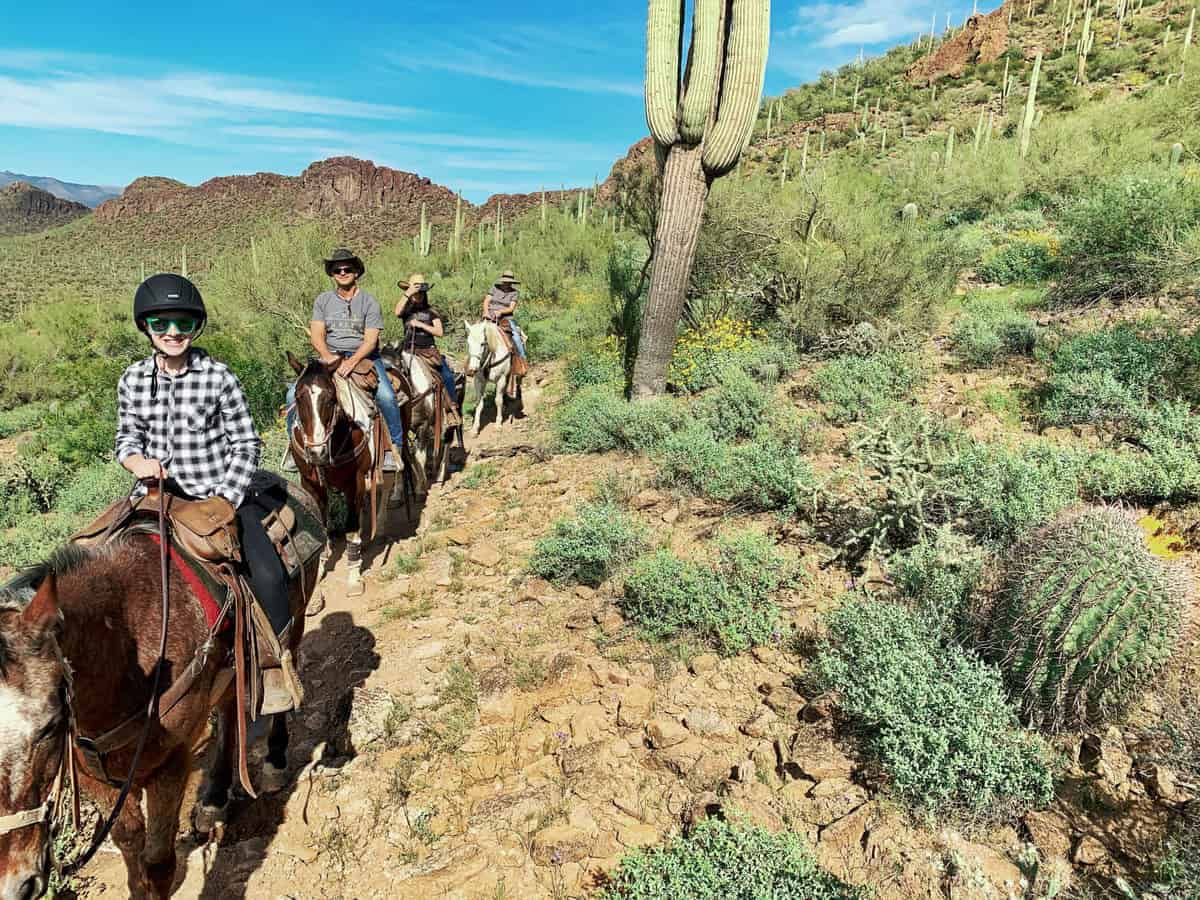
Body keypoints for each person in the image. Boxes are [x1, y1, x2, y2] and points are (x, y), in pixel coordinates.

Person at [116, 273, 300, 713]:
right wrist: (136, 462)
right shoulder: (133, 379)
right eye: (162, 324)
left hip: (216, 496)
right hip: (156, 497)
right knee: (97, 557)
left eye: (182, 323)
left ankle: (274, 668)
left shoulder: (218, 376)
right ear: (147, 327)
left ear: (195, 326)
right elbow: (126, 438)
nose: (173, 333)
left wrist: (226, 497)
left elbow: (247, 444)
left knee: (269, 575)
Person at [286, 249, 406, 458]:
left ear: (356, 272)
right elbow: (316, 336)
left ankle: (394, 448)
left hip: (364, 357)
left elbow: (370, 341)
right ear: (332, 274)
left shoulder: (369, 302)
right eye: (337, 270)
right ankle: (295, 449)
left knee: (387, 396)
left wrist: (351, 362)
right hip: (329, 356)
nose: (342, 273)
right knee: (292, 395)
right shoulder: (323, 301)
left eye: (347, 269)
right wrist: (332, 359)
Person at [396, 274, 459, 406]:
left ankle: (452, 408)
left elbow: (439, 332)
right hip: (409, 351)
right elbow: (396, 312)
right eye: (416, 293)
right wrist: (409, 292)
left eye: (421, 293)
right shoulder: (405, 311)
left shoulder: (431, 311)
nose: (418, 295)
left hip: (428, 352)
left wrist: (422, 325)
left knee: (447, 376)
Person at [482, 269, 527, 360]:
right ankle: (471, 362)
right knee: (476, 335)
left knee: (516, 337)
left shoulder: (514, 293)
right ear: (503, 281)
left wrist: (501, 312)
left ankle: (522, 359)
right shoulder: (494, 288)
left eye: (509, 282)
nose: (507, 284)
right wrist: (486, 312)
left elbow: (511, 308)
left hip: (505, 318)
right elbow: (486, 301)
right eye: (506, 282)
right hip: (490, 315)